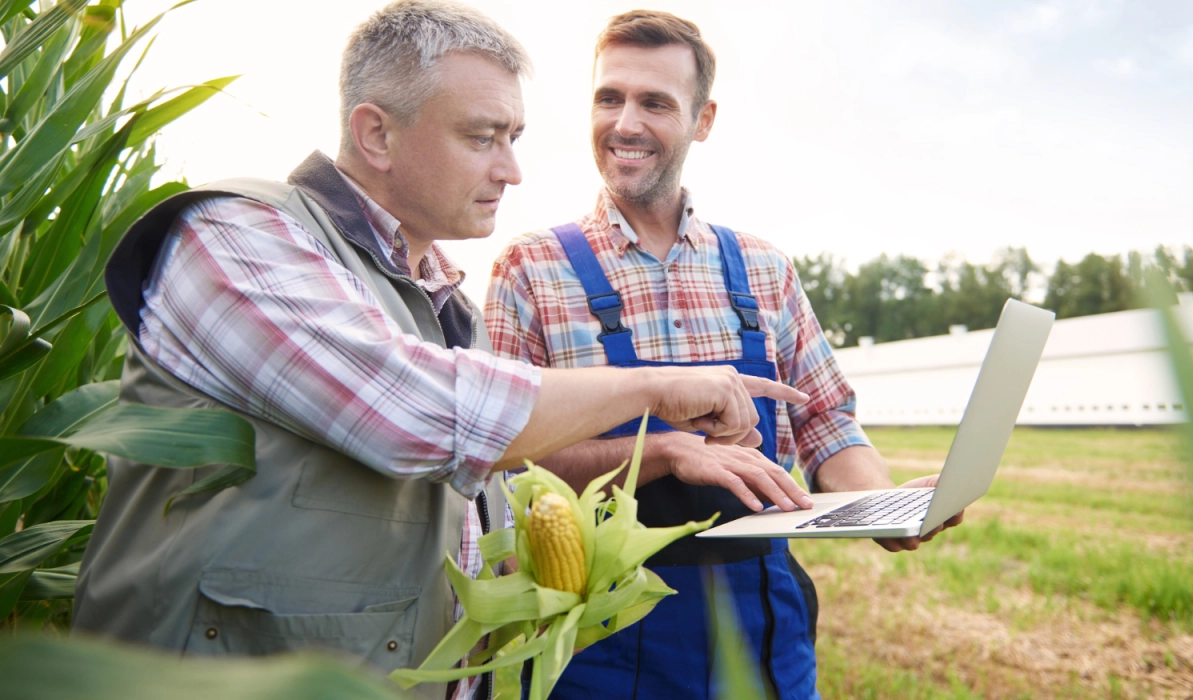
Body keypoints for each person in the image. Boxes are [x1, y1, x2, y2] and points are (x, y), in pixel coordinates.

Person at [72, 4, 808, 700]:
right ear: (377, 136)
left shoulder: (445, 307)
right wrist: (653, 394)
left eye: (514, 138)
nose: (511, 170)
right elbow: (419, 414)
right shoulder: (236, 238)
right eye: (483, 137)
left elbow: (480, 502)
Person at [485, 10, 964, 699]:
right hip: (601, 637)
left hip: (765, 625)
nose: (625, 123)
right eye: (608, 97)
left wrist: (881, 506)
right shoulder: (532, 268)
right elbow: (506, 458)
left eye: (655, 102)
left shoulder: (762, 268)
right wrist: (663, 453)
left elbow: (827, 421)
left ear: (703, 120)